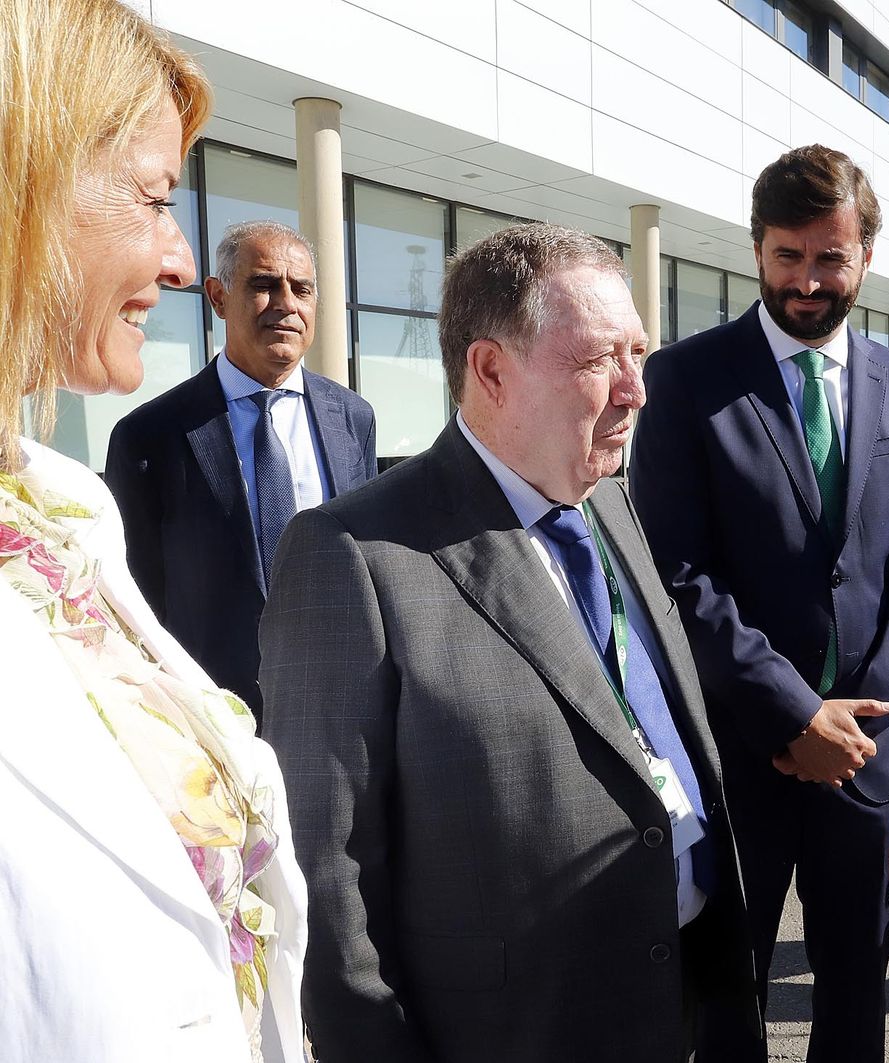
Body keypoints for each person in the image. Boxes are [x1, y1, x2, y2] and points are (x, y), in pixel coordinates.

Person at [260, 223, 761, 1063]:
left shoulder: (607, 500)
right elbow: (327, 884)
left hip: (690, 1005)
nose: (637, 390)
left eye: (640, 353)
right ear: (490, 369)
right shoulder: (354, 555)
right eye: (601, 359)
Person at [0, 2, 307, 1061]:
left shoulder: (59, 513)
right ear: (22, 186)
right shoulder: (139, 443)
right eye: (152, 197)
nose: (179, 262)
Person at [630, 144, 889, 1061]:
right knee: (727, 993)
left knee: (856, 988)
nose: (807, 281)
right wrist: (793, 714)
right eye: (787, 256)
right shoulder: (687, 383)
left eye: (829, 258)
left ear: (864, 258)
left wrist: (852, 721)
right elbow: (677, 574)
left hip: (865, 759)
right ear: (758, 249)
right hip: (741, 754)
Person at [105, 220, 376, 714]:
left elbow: (372, 563)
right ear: (217, 297)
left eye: (302, 289)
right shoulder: (148, 437)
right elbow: (134, 599)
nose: (286, 305)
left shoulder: (353, 419)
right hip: (213, 710)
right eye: (264, 285)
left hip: (344, 700)